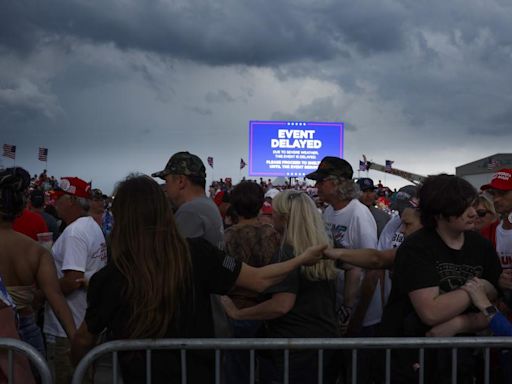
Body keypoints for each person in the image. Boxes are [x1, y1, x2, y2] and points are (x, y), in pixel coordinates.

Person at [70, 174, 326, 384]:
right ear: (164, 211)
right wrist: (301, 259)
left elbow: (84, 339)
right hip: (197, 373)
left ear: (121, 218)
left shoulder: (110, 276)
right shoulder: (197, 254)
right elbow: (259, 280)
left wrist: (82, 372)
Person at [379, 174, 502, 384]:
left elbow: (493, 312)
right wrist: (477, 288)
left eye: (472, 205)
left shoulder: (482, 247)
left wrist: (459, 323)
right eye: (464, 208)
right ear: (440, 212)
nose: (473, 213)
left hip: (460, 361)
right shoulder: (417, 248)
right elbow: (431, 312)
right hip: (413, 360)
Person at [221, 190, 338, 384]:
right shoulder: (325, 248)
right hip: (324, 339)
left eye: (274, 212)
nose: (269, 215)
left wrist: (238, 314)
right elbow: (353, 269)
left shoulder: (287, 252)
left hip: (293, 345)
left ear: (284, 218)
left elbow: (281, 304)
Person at [152, 151, 230, 337]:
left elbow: (172, 267)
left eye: (167, 180)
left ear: (181, 181)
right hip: (211, 312)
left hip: (200, 318)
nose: (165, 186)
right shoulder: (206, 205)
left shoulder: (191, 211)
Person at [0, 168, 76, 356]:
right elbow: (56, 298)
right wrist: (76, 342)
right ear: (20, 209)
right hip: (25, 333)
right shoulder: (35, 251)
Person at [306, 157, 380, 340]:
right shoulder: (330, 211)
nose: (316, 186)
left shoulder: (359, 214)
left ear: (335, 183)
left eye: (320, 181)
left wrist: (357, 317)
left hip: (361, 318)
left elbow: (373, 269)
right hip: (340, 312)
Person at [44, 176, 107, 384]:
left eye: (58, 198)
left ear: (71, 200)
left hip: (68, 329)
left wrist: (45, 288)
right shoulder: (91, 226)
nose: (54, 203)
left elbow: (73, 280)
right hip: (85, 323)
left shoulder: (75, 232)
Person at [222, 181, 281, 384]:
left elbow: (226, 271)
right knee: (270, 372)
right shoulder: (272, 234)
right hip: (268, 310)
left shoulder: (227, 237)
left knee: (238, 372)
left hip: (237, 311)